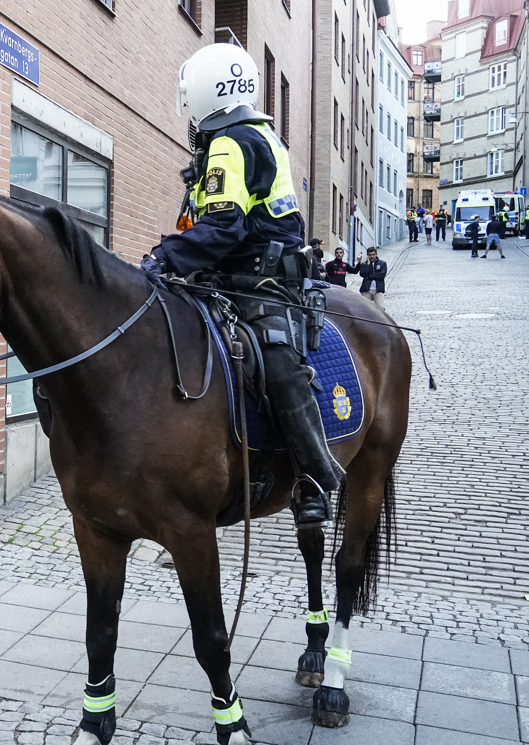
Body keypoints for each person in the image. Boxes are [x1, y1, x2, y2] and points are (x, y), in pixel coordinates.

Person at [142, 42, 343, 532]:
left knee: (278, 363)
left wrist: (163, 258)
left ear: (207, 95)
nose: (188, 114)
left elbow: (224, 226)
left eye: (190, 100)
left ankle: (314, 475)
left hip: (261, 281)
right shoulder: (247, 136)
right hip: (225, 276)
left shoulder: (232, 142)